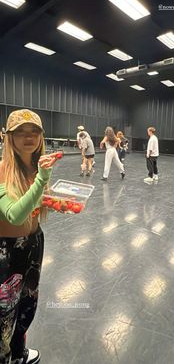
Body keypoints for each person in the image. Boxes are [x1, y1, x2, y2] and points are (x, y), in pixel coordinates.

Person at [0, 109, 60, 364]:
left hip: (33, 243)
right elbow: (14, 215)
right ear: (9, 137)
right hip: (7, 252)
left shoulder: (35, 167)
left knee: (27, 304)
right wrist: (42, 179)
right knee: (4, 313)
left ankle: (17, 353)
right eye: (20, 132)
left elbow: (32, 206)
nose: (28, 137)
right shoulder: (2, 169)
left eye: (33, 131)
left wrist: (55, 201)